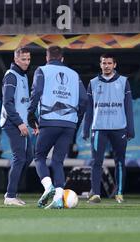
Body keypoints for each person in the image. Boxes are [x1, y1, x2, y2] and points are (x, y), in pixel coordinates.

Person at [27, 46, 88, 209]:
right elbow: (84, 101)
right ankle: (59, 199)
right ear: (62, 58)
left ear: (47, 57)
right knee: (58, 161)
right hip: (69, 124)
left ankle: (48, 188)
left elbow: (36, 91)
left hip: (49, 121)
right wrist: (76, 120)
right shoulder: (74, 75)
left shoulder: (42, 70)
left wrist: (31, 114)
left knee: (39, 156)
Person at [83, 53, 135, 204]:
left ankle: (119, 193)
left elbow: (128, 107)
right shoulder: (93, 83)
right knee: (96, 162)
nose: (106, 66)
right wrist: (86, 129)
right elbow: (89, 110)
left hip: (119, 128)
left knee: (119, 161)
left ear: (115, 65)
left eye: (109, 63)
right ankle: (96, 194)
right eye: (104, 63)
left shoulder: (124, 82)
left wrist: (130, 129)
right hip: (99, 128)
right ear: (100, 65)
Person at [0, 47, 33, 206]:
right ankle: (10, 196)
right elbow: (8, 103)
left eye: (28, 59)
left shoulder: (23, 76)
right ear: (16, 59)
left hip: (23, 123)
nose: (27, 62)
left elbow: (24, 104)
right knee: (19, 158)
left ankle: (12, 192)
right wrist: (19, 123)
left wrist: (31, 123)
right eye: (23, 59)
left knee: (29, 157)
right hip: (13, 122)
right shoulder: (11, 76)